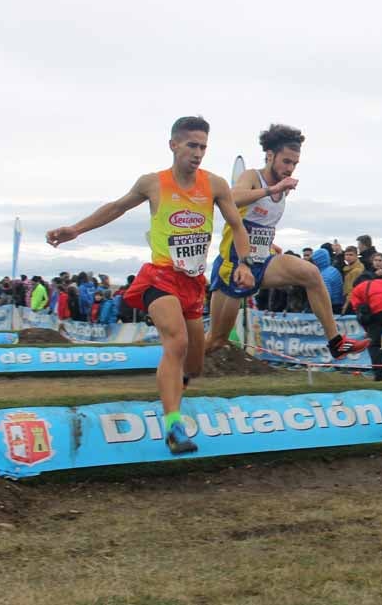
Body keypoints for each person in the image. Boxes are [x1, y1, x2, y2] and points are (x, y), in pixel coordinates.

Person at [46, 116, 256, 454]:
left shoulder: (215, 185)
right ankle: (174, 426)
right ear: (173, 145)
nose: (198, 153)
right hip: (159, 277)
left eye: (203, 146)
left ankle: (173, 387)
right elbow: (116, 207)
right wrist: (76, 229)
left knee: (195, 363)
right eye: (192, 145)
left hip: (193, 283)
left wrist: (245, 263)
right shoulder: (153, 183)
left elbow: (237, 224)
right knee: (176, 341)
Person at [205, 124, 370, 357]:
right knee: (215, 341)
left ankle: (336, 341)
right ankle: (179, 374)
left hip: (263, 261)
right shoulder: (253, 176)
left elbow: (259, 224)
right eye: (286, 161)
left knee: (311, 274)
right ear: (270, 155)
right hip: (233, 265)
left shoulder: (283, 188)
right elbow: (232, 198)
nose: (290, 169)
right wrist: (273, 188)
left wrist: (268, 243)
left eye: (294, 164)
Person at [311, 248, 345, 315]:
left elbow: (325, 296)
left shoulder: (324, 276)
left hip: (332, 307)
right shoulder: (333, 270)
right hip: (339, 303)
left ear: (317, 261)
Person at [340, 246, 365, 313]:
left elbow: (352, 290)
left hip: (352, 302)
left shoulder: (357, 270)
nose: (348, 257)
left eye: (351, 255)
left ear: (356, 256)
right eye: (346, 255)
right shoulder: (347, 268)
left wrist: (346, 306)